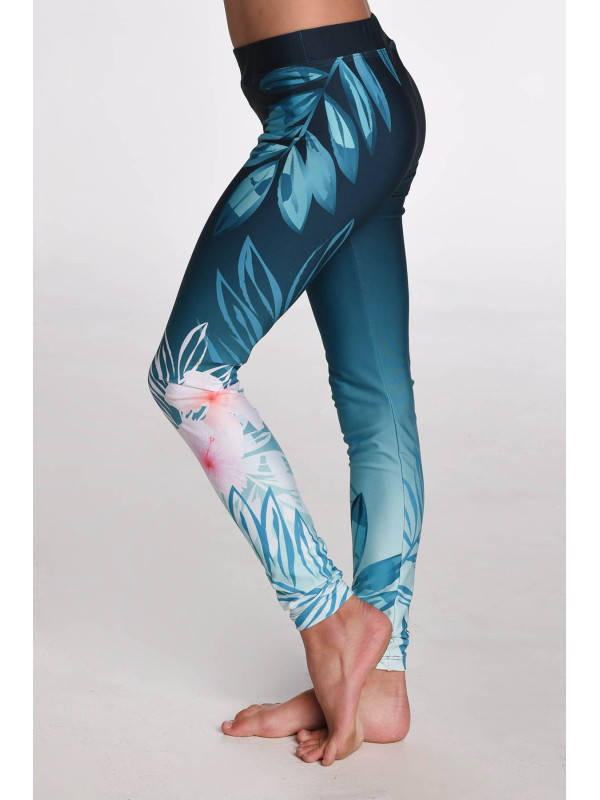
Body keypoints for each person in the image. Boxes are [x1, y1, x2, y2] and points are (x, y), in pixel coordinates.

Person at [148, 0, 426, 766]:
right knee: (378, 403)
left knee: (189, 372)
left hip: (329, 102)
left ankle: (333, 624)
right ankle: (381, 684)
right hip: (355, 93)